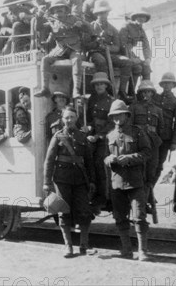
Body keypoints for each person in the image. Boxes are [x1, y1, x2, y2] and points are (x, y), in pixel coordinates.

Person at [43, 107, 96, 257]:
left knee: (84, 212)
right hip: (62, 180)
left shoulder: (83, 137)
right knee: (63, 212)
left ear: (77, 118)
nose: (69, 120)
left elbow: (89, 161)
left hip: (80, 179)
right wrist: (47, 182)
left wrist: (92, 180)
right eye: (66, 118)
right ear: (62, 119)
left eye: (72, 117)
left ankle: (84, 245)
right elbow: (49, 161)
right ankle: (68, 246)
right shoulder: (58, 137)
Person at [105, 100, 152, 260]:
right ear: (112, 118)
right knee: (120, 218)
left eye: (121, 114)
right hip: (117, 183)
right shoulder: (109, 136)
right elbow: (103, 158)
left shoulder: (137, 132)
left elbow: (147, 153)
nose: (118, 118)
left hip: (135, 182)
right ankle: (126, 250)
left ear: (126, 115)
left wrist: (130, 158)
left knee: (139, 217)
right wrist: (109, 159)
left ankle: (142, 251)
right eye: (115, 115)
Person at [34, 0, 92, 99]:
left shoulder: (73, 18)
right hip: (60, 50)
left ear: (65, 9)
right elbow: (38, 28)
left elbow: (89, 28)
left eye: (61, 8)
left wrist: (81, 25)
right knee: (45, 60)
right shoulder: (51, 21)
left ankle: (76, 90)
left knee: (76, 60)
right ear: (52, 11)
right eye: (56, 9)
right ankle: (45, 88)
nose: (58, 10)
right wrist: (39, 16)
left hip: (74, 48)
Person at [130, 80, 163, 217]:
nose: (146, 94)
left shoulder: (158, 110)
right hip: (138, 145)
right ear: (140, 93)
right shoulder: (133, 107)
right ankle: (138, 205)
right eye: (144, 92)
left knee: (151, 172)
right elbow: (130, 127)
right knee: (138, 174)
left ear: (152, 93)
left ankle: (144, 201)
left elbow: (161, 129)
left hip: (153, 145)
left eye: (149, 92)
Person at [89, 0, 134, 100]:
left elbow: (117, 47)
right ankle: (107, 89)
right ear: (96, 14)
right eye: (100, 13)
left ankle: (122, 91)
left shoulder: (112, 29)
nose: (103, 15)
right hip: (95, 53)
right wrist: (97, 45)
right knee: (101, 61)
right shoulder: (91, 27)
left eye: (105, 12)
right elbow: (87, 44)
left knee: (127, 62)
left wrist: (107, 48)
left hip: (109, 53)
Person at [84, 72, 115, 213]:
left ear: (106, 85)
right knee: (89, 164)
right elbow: (90, 119)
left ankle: (104, 197)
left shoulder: (112, 101)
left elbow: (112, 124)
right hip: (93, 137)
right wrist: (89, 127)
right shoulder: (92, 100)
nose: (99, 86)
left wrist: (98, 136)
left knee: (101, 166)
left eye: (101, 84)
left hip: (105, 139)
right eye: (96, 84)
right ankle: (93, 194)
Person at [152, 72, 176, 183]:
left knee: (159, 164)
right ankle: (147, 191)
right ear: (161, 85)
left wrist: (174, 142)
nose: (166, 86)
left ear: (173, 85)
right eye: (164, 83)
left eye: (169, 83)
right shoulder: (155, 98)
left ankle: (150, 189)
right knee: (150, 163)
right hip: (151, 136)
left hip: (164, 139)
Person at [119, 11, 152, 81]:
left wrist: (148, 58)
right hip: (121, 53)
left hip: (129, 53)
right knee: (137, 67)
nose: (142, 19)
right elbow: (122, 44)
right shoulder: (126, 26)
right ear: (135, 18)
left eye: (144, 17)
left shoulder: (141, 30)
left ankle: (146, 89)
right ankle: (131, 90)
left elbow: (146, 45)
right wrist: (131, 58)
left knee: (147, 68)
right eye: (139, 16)